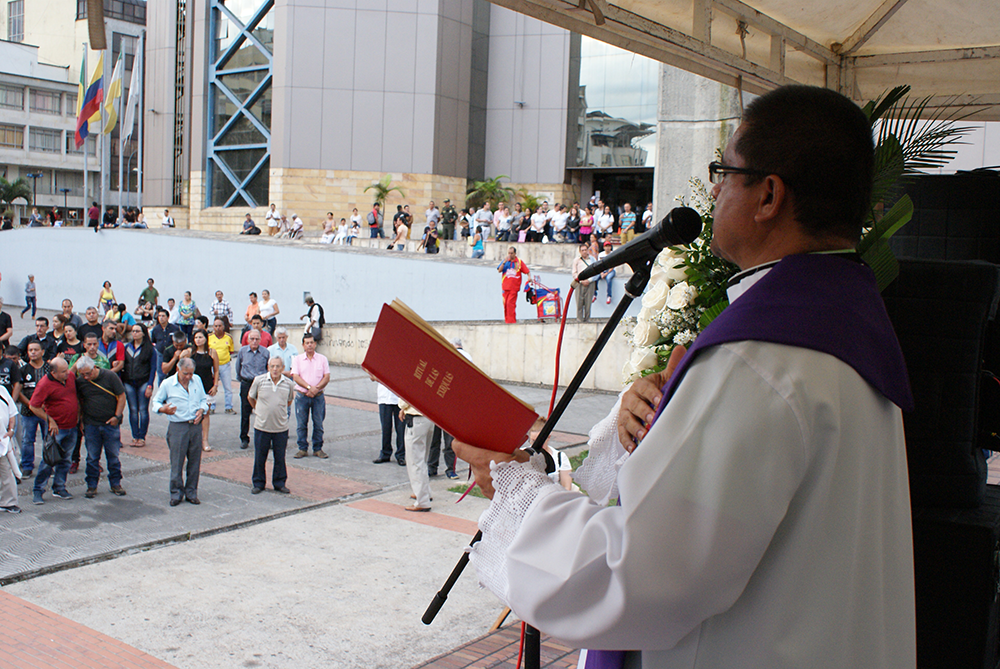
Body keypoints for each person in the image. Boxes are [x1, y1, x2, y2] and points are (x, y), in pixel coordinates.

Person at [455, 84, 916, 668]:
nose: (715, 189)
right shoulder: (843, 327)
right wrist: (649, 433)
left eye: (725, 172)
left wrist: (516, 490)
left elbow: (642, 577)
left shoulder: (758, 360)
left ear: (769, 195)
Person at [152, 358, 208, 506]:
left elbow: (204, 399)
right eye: (186, 374)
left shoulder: (197, 380)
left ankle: (191, 492)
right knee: (177, 461)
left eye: (191, 373)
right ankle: (176, 492)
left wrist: (202, 410)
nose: (189, 377)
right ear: (178, 369)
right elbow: (156, 402)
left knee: (195, 461)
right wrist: (163, 409)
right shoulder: (168, 383)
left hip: (195, 425)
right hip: (178, 426)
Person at [74, 356, 127, 499]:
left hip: (110, 423)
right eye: (82, 374)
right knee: (92, 457)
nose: (86, 377)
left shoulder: (110, 376)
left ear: (94, 368)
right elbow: (80, 401)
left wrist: (117, 416)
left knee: (113, 456)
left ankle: (116, 483)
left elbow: (121, 396)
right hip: (91, 423)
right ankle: (91, 485)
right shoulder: (81, 382)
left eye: (88, 373)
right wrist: (81, 420)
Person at [29, 357, 79, 505]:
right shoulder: (44, 384)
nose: (67, 374)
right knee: (48, 460)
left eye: (67, 370)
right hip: (57, 429)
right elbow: (34, 406)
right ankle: (38, 490)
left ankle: (59, 487)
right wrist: (49, 420)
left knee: (66, 460)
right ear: (53, 372)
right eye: (63, 372)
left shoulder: (69, 376)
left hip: (72, 426)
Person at [248, 356, 296, 494]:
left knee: (280, 457)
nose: (275, 369)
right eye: (272, 366)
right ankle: (258, 483)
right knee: (260, 456)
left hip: (280, 427)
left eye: (278, 366)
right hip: (262, 426)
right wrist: (259, 410)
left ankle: (279, 483)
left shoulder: (289, 384)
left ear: (283, 368)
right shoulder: (259, 381)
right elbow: (251, 397)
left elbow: (289, 401)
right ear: (268, 367)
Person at [290, 332, 329, 459]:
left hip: (318, 396)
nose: (310, 345)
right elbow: (295, 376)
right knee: (301, 424)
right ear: (303, 345)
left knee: (318, 423)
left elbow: (326, 377)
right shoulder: (297, 359)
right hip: (302, 396)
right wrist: (308, 388)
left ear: (315, 344)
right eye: (307, 343)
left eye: (312, 342)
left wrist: (316, 389)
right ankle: (302, 448)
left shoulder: (322, 359)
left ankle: (318, 448)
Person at [181, 329, 219, 452]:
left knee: (205, 413)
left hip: (207, 386)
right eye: (196, 337)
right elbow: (180, 362)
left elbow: (216, 370)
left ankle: (205, 439)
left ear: (206, 339)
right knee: (192, 412)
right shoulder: (190, 352)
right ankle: (191, 439)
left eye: (200, 337)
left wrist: (215, 385)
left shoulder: (212, 352)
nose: (198, 340)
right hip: (192, 386)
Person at [16, 342, 48, 477]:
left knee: (49, 438)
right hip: (28, 411)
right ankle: (27, 465)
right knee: (27, 439)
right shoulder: (23, 370)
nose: (33, 352)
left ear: (43, 352)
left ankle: (48, 464)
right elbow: (19, 390)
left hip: (47, 411)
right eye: (30, 350)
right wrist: (31, 404)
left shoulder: (49, 368)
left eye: (36, 350)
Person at [123, 323, 156, 448]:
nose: (134, 333)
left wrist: (150, 385)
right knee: (132, 410)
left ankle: (142, 436)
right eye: (133, 331)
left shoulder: (149, 349)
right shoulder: (128, 347)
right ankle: (134, 436)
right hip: (129, 381)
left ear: (143, 333)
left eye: (137, 331)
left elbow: (153, 368)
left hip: (143, 381)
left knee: (142, 410)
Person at [235, 329, 269, 450]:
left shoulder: (265, 352)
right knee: (245, 412)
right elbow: (238, 366)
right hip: (247, 383)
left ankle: (265, 439)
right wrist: (241, 380)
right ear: (248, 340)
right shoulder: (242, 351)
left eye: (257, 339)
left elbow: (267, 368)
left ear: (260, 340)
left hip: (261, 384)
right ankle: (244, 438)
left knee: (264, 412)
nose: (254, 341)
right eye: (252, 339)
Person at [400, 398, 432, 512]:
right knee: (422, 459)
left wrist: (403, 407)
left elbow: (407, 393)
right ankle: (425, 491)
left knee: (415, 461)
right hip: (429, 415)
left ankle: (422, 500)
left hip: (416, 417)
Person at [371, 376, 405, 466]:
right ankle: (385, 453)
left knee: (401, 428)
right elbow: (372, 376)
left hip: (398, 397)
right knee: (385, 427)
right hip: (384, 397)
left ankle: (401, 454)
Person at [208, 317, 236, 414]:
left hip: (225, 365)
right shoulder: (209, 337)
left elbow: (231, 351)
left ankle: (229, 407)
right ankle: (211, 407)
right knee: (212, 386)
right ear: (213, 327)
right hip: (212, 366)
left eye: (220, 326)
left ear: (223, 327)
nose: (218, 328)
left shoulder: (228, 337)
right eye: (216, 326)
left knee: (227, 387)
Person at [0, 383, 19, 513]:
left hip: (3, 440)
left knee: (6, 470)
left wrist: (11, 429)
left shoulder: (2, 390)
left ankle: (8, 502)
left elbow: (12, 412)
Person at [498, 246, 529, 323]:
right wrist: (504, 262)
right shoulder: (505, 261)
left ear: (515, 253)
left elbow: (527, 271)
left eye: (512, 253)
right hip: (505, 287)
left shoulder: (519, 262)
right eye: (509, 253)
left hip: (514, 288)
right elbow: (499, 270)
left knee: (510, 304)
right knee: (505, 304)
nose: (510, 255)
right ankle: (507, 320)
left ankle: (511, 321)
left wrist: (529, 277)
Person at [151, 309, 180, 384]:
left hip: (172, 353)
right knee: (161, 374)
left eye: (163, 316)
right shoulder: (156, 329)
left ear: (167, 317)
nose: (161, 318)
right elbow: (154, 340)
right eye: (159, 316)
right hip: (160, 353)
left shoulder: (174, 328)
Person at [571, 243, 596, 321]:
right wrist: (581, 281)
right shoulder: (577, 260)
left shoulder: (592, 259)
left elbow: (596, 272)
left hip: (590, 282)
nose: (584, 252)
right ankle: (579, 319)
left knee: (588, 303)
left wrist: (589, 280)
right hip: (579, 283)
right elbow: (574, 273)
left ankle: (587, 319)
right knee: (579, 302)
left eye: (586, 250)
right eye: (583, 250)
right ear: (580, 251)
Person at [597, 239, 616, 305]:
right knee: (595, 278)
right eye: (606, 246)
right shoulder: (600, 254)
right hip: (602, 270)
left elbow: (613, 266)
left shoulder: (613, 254)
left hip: (610, 270)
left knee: (608, 279)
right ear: (604, 247)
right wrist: (602, 273)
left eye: (609, 246)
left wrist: (606, 273)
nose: (607, 248)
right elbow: (599, 265)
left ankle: (609, 296)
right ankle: (594, 294)